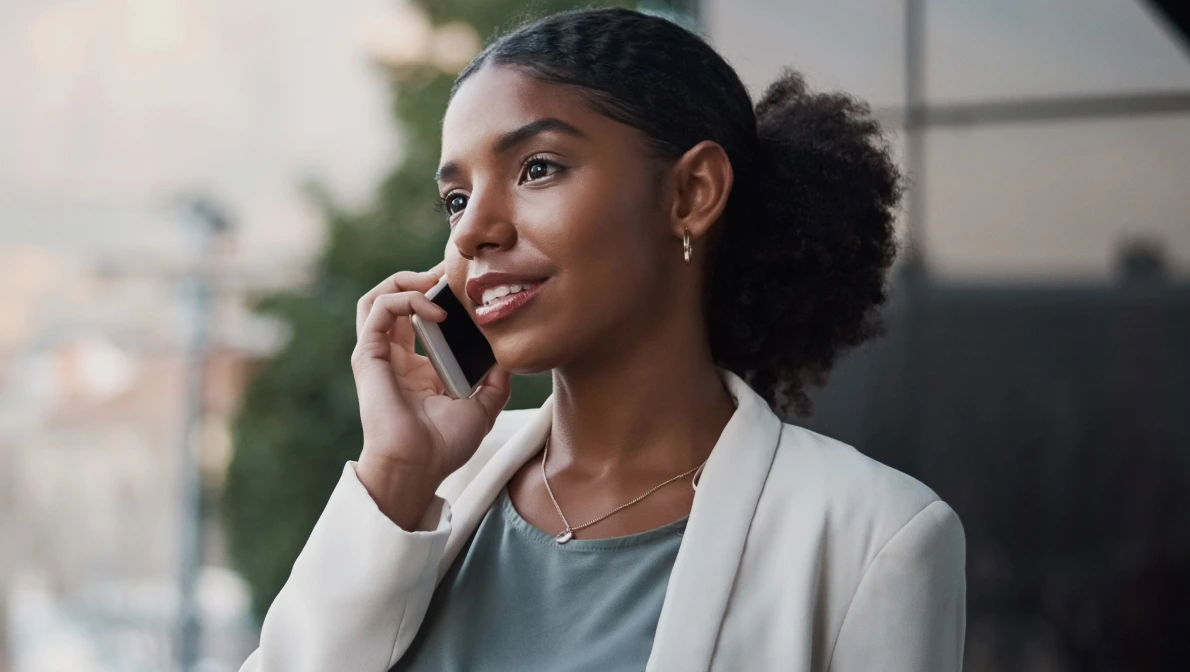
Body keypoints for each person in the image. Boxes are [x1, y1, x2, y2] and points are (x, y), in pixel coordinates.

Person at [239, 7, 965, 672]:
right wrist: (396, 474)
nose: (470, 230)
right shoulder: (430, 492)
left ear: (691, 194)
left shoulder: (874, 538)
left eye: (537, 169)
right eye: (456, 198)